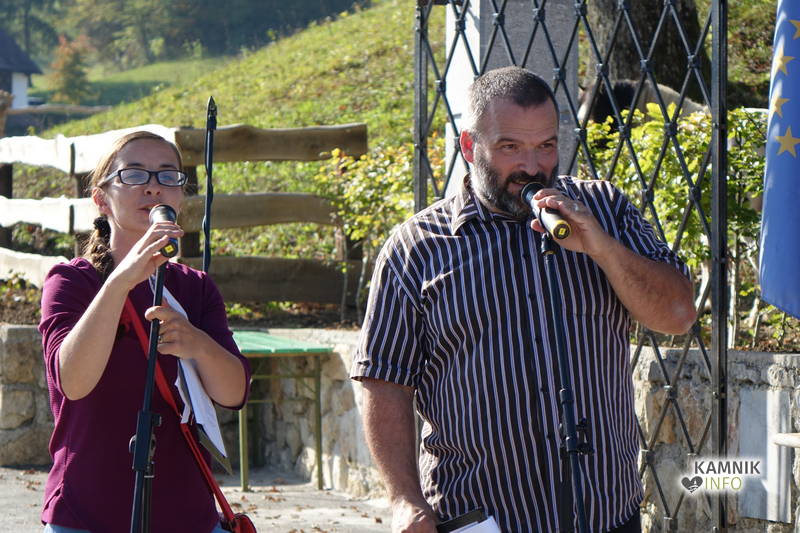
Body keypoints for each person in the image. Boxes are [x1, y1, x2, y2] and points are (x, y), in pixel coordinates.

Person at [351, 66, 696, 533]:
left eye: (546, 146)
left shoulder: (605, 210)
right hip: (481, 518)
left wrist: (603, 249)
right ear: (470, 147)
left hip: (604, 514)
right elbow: (384, 379)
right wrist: (404, 500)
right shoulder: (417, 247)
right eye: (510, 147)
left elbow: (677, 315)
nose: (533, 167)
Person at [38, 131, 251, 533]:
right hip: (87, 514)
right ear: (101, 199)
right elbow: (73, 382)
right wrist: (121, 282)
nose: (154, 186)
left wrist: (197, 343)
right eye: (134, 174)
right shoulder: (70, 281)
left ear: (180, 198)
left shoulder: (196, 287)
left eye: (168, 176)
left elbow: (234, 393)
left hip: (188, 515)